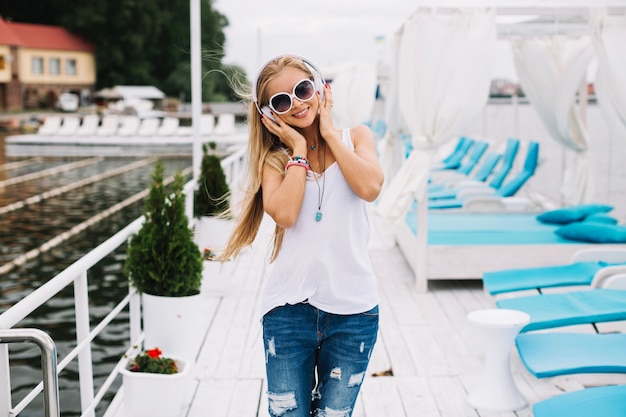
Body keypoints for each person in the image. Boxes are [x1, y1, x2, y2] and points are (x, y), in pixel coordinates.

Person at [221, 54, 384, 417]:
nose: (296, 103)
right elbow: (287, 214)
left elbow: (370, 186)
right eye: (282, 101)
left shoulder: (356, 137)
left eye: (302, 89)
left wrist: (328, 133)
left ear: (319, 87)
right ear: (269, 114)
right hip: (288, 313)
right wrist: (297, 150)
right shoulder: (275, 161)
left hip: (353, 313)